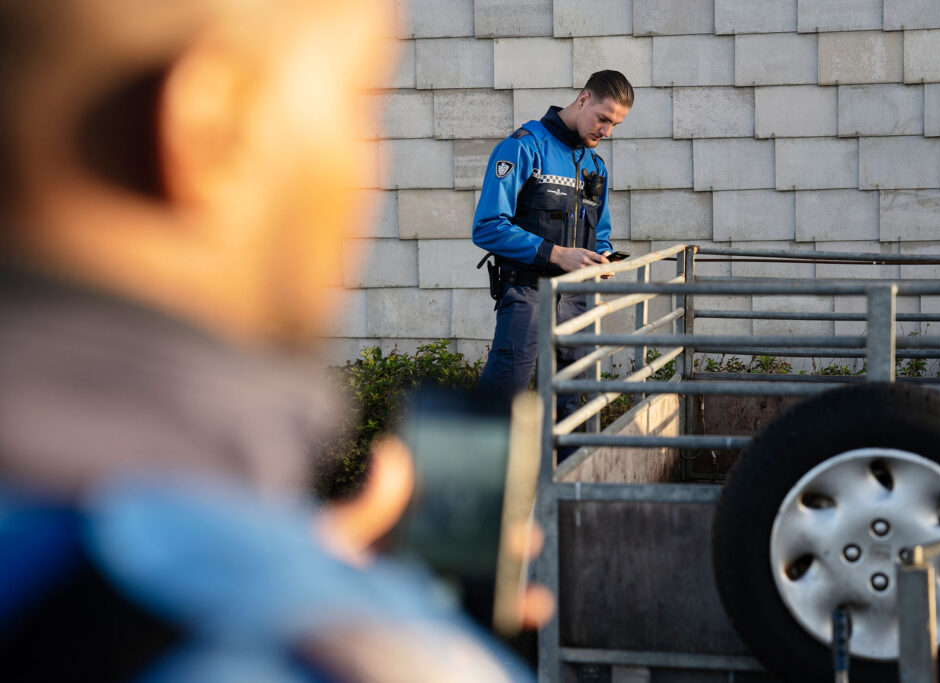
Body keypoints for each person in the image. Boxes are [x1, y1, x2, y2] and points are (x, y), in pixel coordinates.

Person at [0, 1, 543, 680]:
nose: (369, 169)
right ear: (212, 124)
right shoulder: (363, 657)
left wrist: (253, 551)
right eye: (359, 102)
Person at [472, 71, 633, 428]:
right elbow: (487, 226)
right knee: (502, 399)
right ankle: (478, 482)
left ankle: (564, 482)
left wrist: (603, 261)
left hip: (577, 300)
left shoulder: (595, 166)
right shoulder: (524, 147)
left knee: (572, 408)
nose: (606, 132)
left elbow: (601, 234)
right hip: (528, 293)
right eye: (603, 119)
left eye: (615, 124)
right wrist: (556, 254)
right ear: (583, 99)